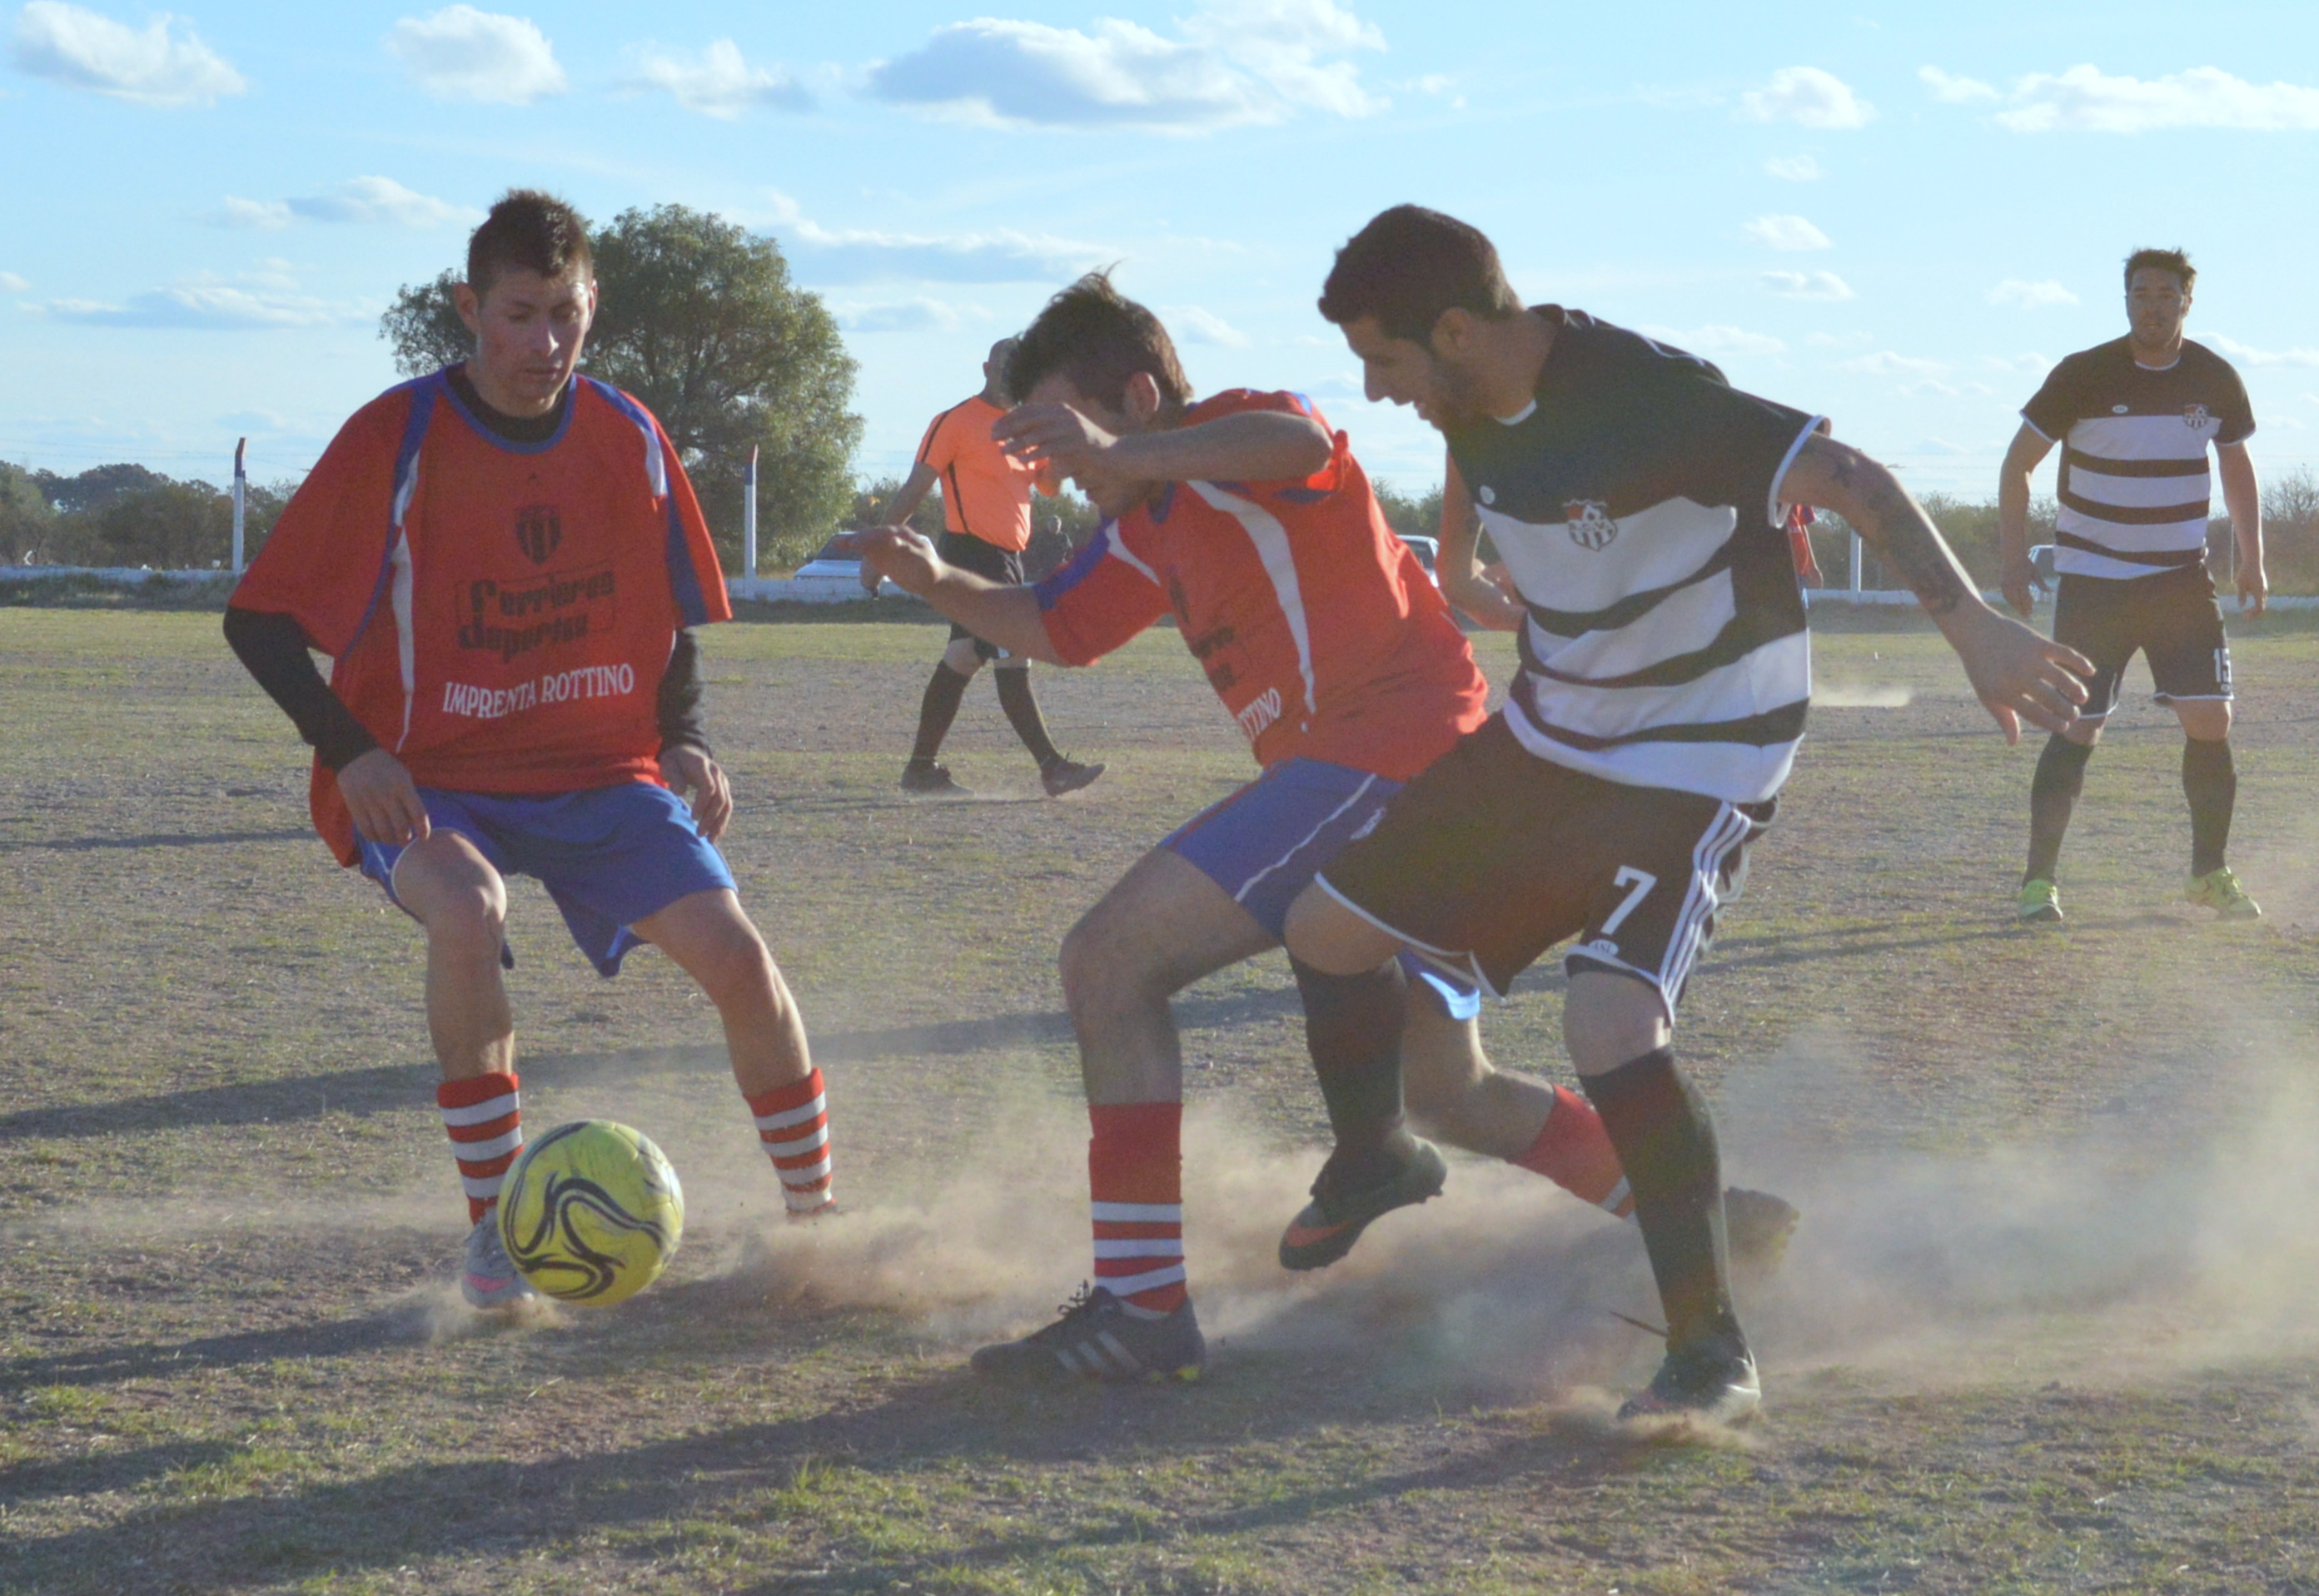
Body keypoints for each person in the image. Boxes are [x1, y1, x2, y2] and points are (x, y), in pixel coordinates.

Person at [851, 272, 1795, 1385]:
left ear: (1139, 398)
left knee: (1109, 961)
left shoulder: (1234, 438)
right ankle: (1702, 1215)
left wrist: (1125, 449)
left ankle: (1142, 1308)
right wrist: (939, 579)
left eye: (1060, 431)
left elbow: (1293, 445)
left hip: (1387, 757)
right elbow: (1054, 630)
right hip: (1417, 778)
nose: (1051, 463)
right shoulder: (1144, 524)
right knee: (1448, 1092)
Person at [1276, 206, 2092, 1423]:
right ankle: (1377, 1156)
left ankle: (1712, 1351)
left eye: (1383, 361)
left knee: (1610, 1023)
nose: (1374, 389)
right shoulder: (1469, 400)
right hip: (1555, 730)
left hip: (1699, 752)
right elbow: (1481, 454)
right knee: (1326, 933)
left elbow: (1852, 477)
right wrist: (1456, 570)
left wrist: (1970, 622)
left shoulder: (1648, 395)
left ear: (1456, 328)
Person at [224, 191, 835, 1310]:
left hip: (603, 770)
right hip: (432, 776)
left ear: (592, 308)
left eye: (566, 314)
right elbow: (256, 621)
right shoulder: (396, 437)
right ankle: (498, 1228)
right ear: (469, 309)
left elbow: (667, 617)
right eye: (518, 313)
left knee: (741, 961)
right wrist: (351, 751)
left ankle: (818, 1221)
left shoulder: (630, 436)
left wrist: (686, 738)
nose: (543, 343)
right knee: (469, 911)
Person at [1998, 247, 2266, 925]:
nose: (2152, 305)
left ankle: (2208, 874)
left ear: (2186, 302)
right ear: (2125, 301)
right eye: (2140, 293)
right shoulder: (2082, 375)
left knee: (2211, 720)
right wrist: (2010, 557)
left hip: (2180, 582)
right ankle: (2039, 882)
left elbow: (2235, 467)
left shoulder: (2213, 376)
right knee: (2076, 727)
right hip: (2095, 583)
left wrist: (2250, 557)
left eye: (2165, 294)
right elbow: (2016, 464)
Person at [876, 337, 1104, 799]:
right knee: (1013, 656)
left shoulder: (1024, 428)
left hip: (1007, 559)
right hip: (970, 555)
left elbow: (1049, 484)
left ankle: (920, 770)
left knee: (963, 657)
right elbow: (916, 487)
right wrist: (881, 545)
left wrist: (1065, 455)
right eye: (1003, 365)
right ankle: (1051, 767)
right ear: (985, 367)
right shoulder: (955, 421)